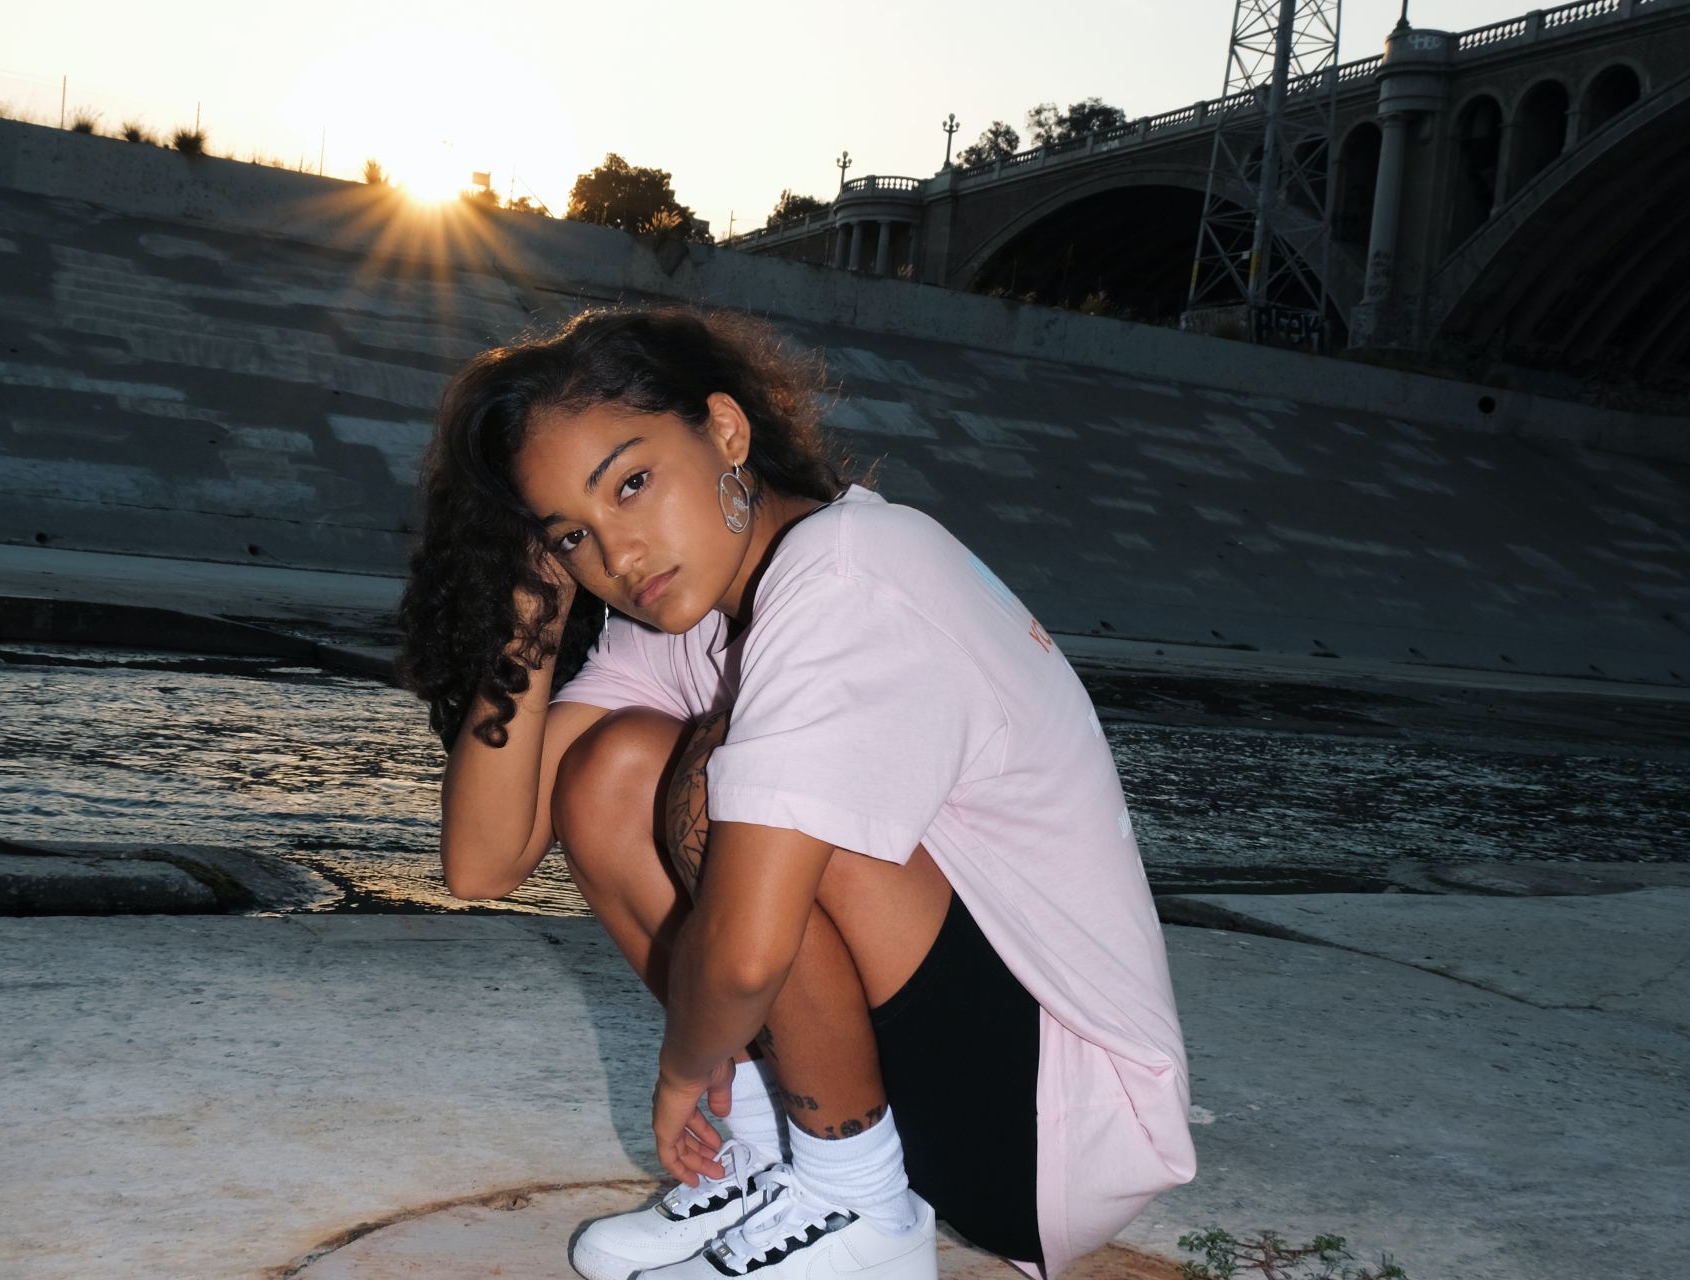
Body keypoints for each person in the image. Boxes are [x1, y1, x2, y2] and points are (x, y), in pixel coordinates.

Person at [397, 306, 1195, 1280]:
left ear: (726, 430)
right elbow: (484, 860)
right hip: (951, 1093)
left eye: (635, 484)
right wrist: (530, 609)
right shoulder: (681, 620)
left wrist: (690, 1072)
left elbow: (743, 957)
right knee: (611, 771)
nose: (622, 555)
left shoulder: (847, 575)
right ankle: (779, 1159)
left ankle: (860, 1212)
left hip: (1055, 1119)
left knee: (726, 771)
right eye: (575, 533)